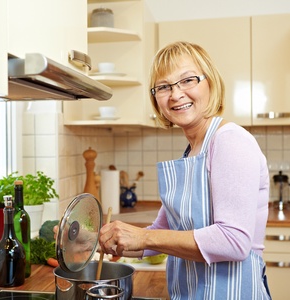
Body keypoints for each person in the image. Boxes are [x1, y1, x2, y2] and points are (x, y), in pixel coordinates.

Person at [98, 41, 271, 299]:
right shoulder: (192, 152)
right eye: (164, 87)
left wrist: (143, 238)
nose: (176, 94)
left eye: (188, 80)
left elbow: (234, 241)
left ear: (210, 83)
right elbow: (158, 233)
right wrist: (92, 241)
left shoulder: (230, 140)